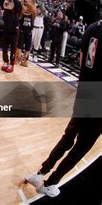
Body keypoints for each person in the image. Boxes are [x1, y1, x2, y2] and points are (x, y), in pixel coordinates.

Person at [25, 16, 102, 197]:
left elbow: (83, 58)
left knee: (69, 136)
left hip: (86, 90)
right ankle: (50, 183)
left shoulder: (92, 27)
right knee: (81, 147)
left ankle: (40, 173)